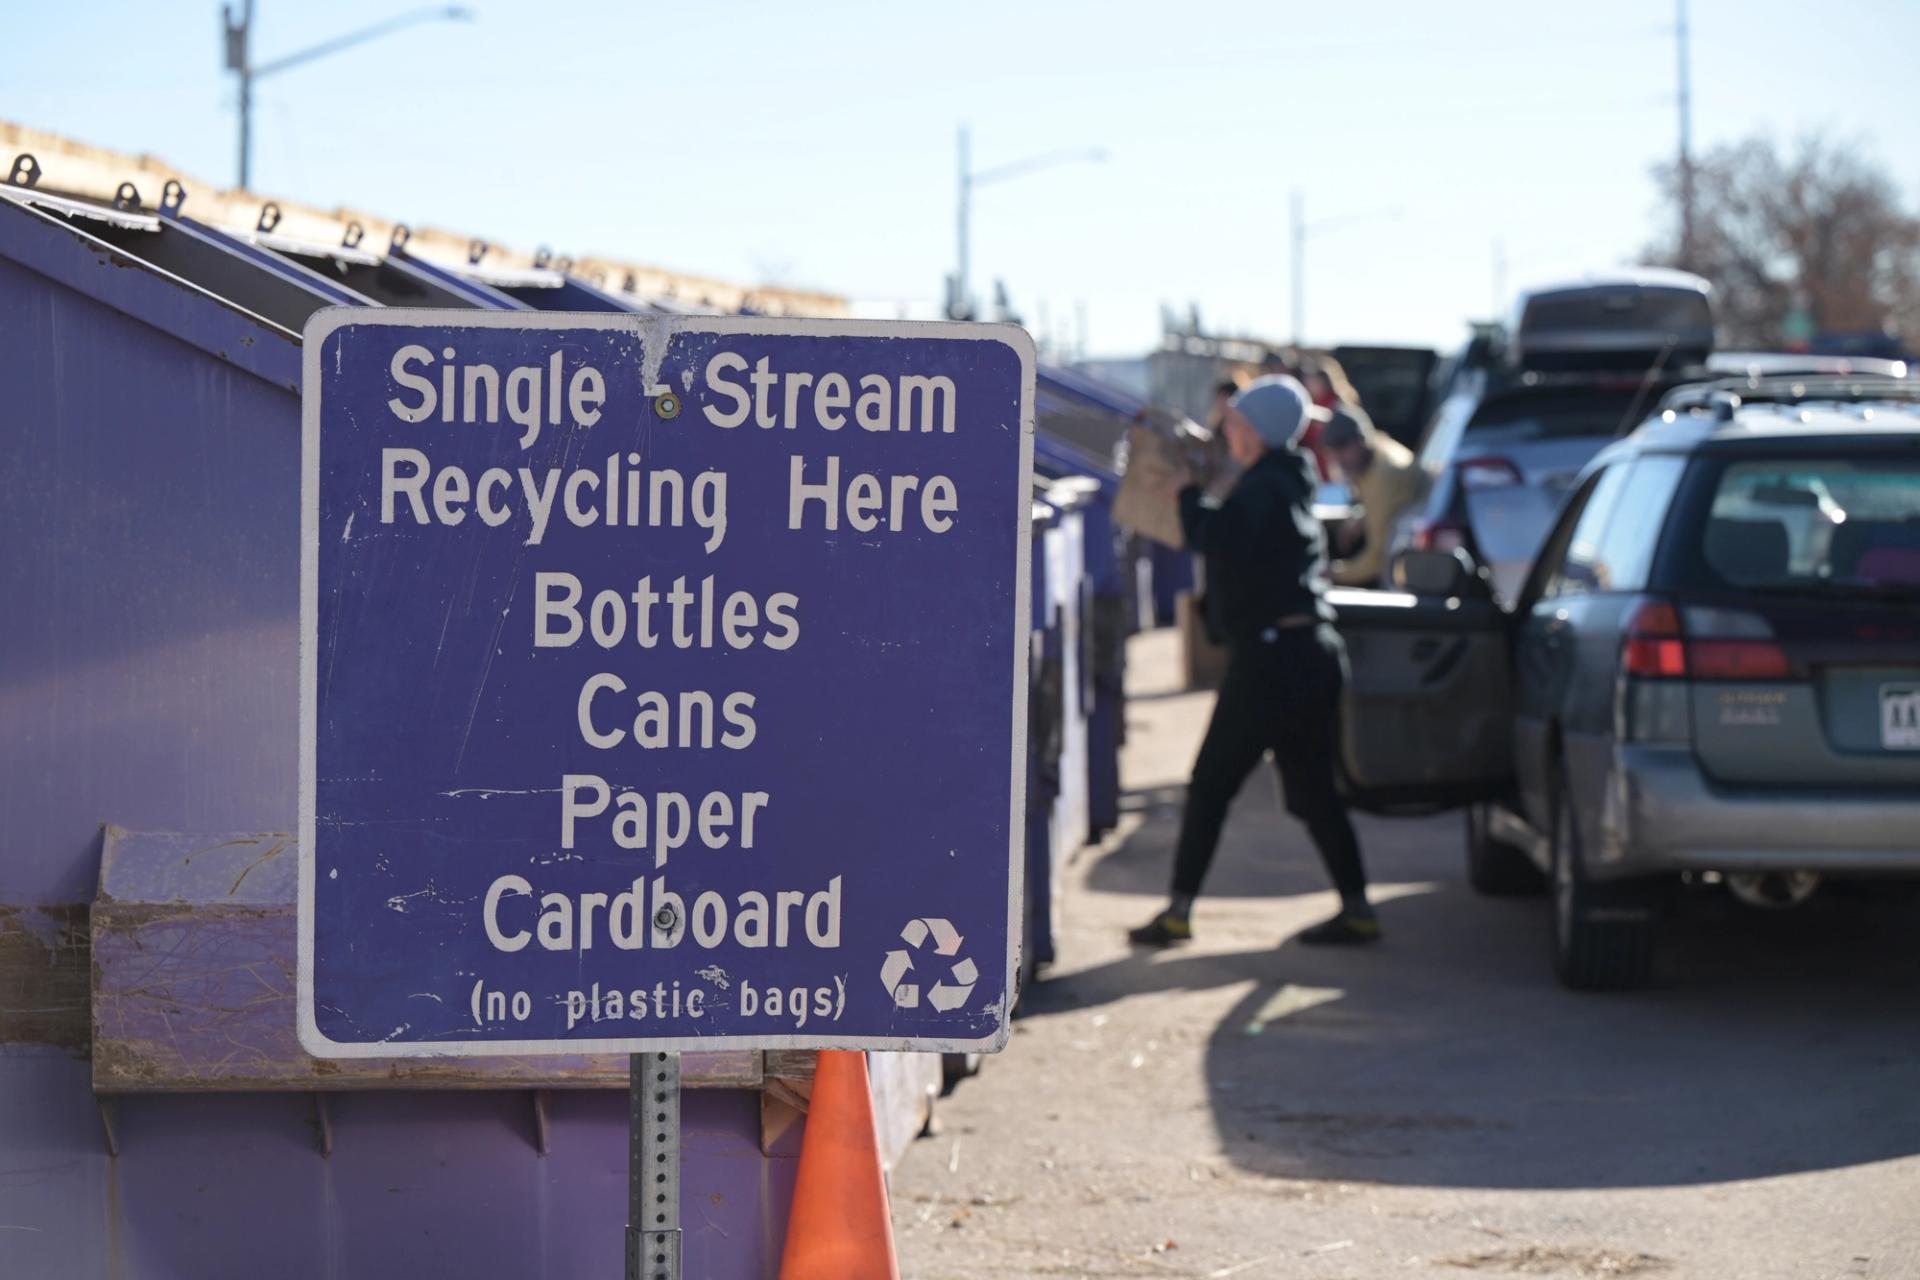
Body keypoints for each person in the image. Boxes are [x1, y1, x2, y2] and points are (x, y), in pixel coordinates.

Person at [1129, 375, 1379, 949]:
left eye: (1236, 423)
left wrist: (1189, 493)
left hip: (1273, 660)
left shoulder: (1266, 486)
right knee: (1314, 793)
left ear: (1258, 430)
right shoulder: (1284, 480)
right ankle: (1359, 909)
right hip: (1304, 653)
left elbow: (1216, 537)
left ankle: (1177, 914)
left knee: (1211, 784)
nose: (1228, 432)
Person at [1324, 407, 1428, 587]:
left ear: (1361, 440)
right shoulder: (1375, 455)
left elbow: (1377, 560)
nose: (1337, 457)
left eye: (1342, 445)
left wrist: (1335, 573)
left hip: (1412, 563)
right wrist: (1362, 518)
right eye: (1333, 448)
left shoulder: (1385, 477)